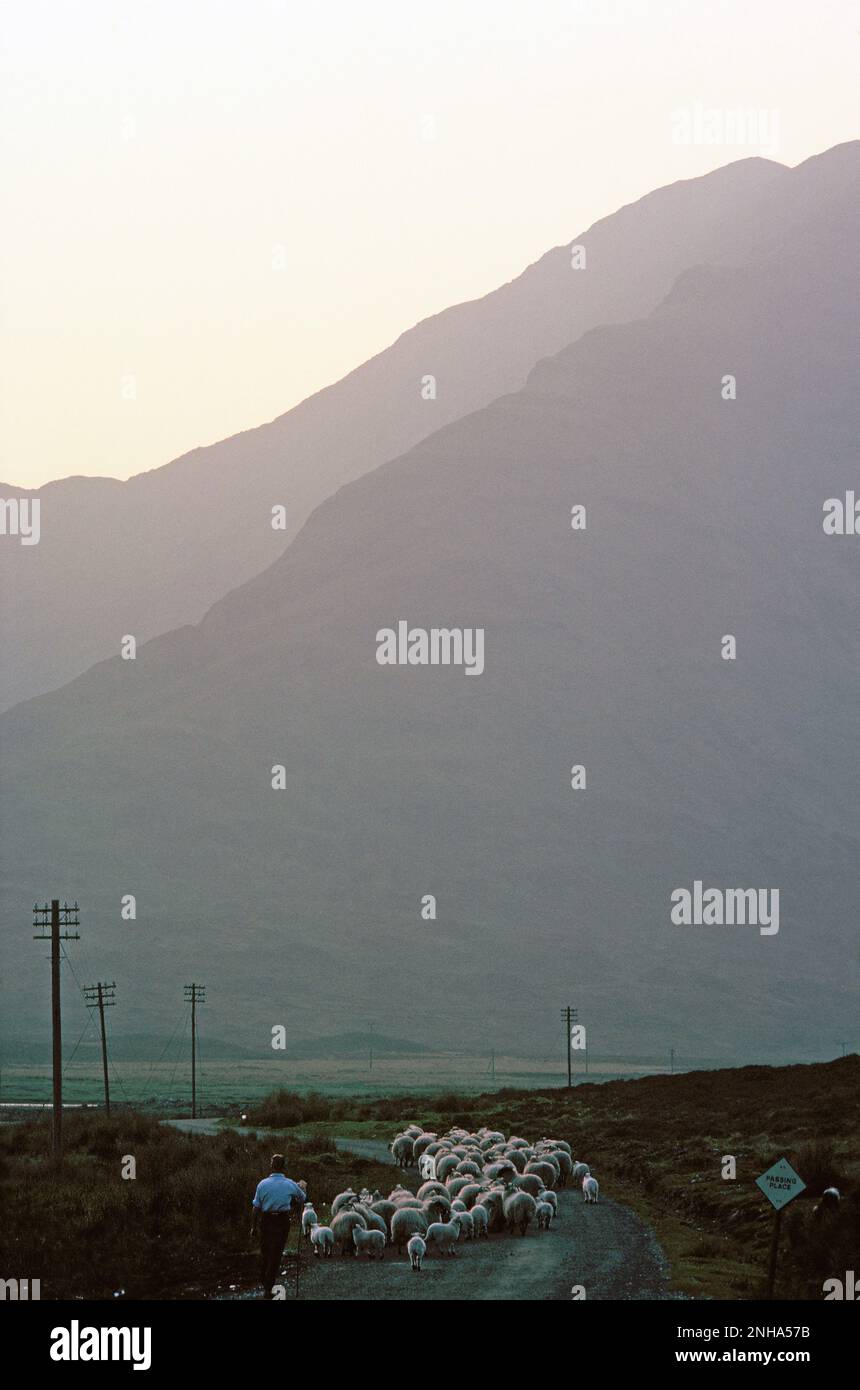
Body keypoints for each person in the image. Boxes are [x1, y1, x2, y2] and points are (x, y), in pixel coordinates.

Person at [251, 1154, 307, 1297]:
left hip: (266, 1220)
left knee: (265, 1251)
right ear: (283, 1167)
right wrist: (303, 1187)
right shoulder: (289, 1184)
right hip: (281, 1221)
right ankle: (268, 1286)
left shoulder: (262, 1184)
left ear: (272, 1165)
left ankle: (265, 1283)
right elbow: (302, 1198)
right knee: (276, 1253)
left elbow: (256, 1207)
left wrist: (253, 1226)